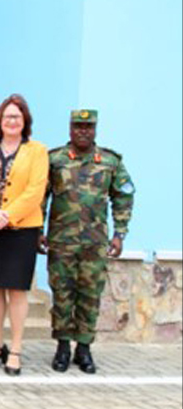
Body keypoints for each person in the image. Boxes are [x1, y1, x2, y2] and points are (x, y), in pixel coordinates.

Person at [41, 109, 135, 374]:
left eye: (88, 127)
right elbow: (40, 196)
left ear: (95, 129)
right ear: (70, 129)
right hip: (61, 242)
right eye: (78, 126)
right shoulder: (55, 159)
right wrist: (38, 229)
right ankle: (62, 347)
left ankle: (83, 348)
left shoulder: (110, 161)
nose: (83, 131)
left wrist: (119, 233)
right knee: (62, 294)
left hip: (95, 243)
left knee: (90, 296)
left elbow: (124, 196)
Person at [0, 94, 49, 376]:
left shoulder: (37, 151)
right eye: (7, 116)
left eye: (17, 117)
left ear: (25, 121)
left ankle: (16, 349)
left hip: (22, 230)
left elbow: (35, 190)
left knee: (17, 289)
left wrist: (6, 215)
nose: (12, 121)